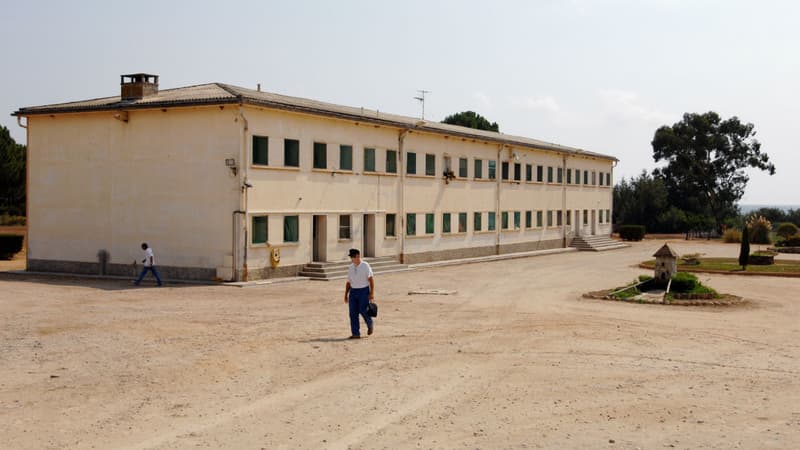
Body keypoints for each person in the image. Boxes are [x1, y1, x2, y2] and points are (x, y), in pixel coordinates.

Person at [344, 248, 374, 339]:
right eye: (351, 257)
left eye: (352, 257)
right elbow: (348, 282)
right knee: (352, 313)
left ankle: (370, 323)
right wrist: (346, 294)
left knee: (363, 310)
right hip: (353, 292)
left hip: (363, 291)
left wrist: (371, 293)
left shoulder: (365, 266)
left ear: (357, 256)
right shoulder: (351, 267)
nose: (351, 259)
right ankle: (355, 333)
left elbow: (371, 280)